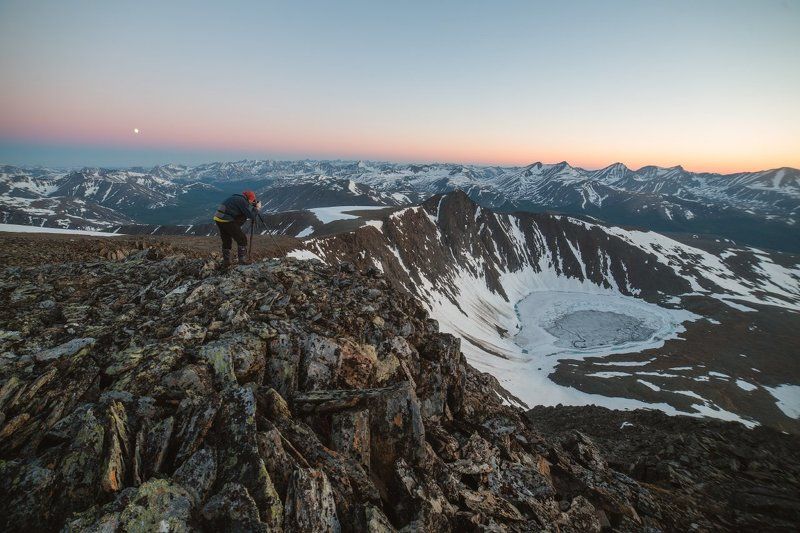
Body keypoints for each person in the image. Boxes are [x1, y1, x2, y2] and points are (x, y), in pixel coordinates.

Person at [213, 190, 261, 268]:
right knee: (242, 239)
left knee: (226, 240)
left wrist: (250, 204)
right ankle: (242, 261)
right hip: (226, 220)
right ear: (249, 198)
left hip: (218, 218)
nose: (252, 202)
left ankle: (226, 262)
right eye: (252, 200)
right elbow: (251, 215)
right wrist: (257, 208)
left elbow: (242, 212)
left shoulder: (236, 198)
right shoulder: (242, 202)